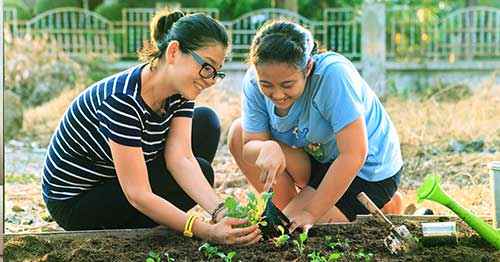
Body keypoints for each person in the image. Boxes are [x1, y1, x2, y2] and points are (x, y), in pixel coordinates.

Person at [42, 9, 261, 246]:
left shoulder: (180, 92)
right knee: (203, 171)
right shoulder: (122, 99)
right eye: (206, 67)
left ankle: (158, 218)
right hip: (77, 203)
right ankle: (155, 220)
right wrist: (203, 230)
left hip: (118, 179)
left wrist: (220, 212)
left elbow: (181, 159)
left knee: (205, 124)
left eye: (215, 73)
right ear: (174, 52)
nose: (209, 80)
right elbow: (138, 194)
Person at [228, 20, 404, 233]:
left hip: (366, 169)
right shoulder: (253, 83)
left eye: (287, 84)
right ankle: (292, 208)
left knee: (300, 228)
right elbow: (248, 146)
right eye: (267, 84)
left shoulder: (334, 75)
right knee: (238, 133)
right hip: (318, 158)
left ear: (308, 68)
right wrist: (266, 147)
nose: (277, 94)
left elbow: (354, 154)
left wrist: (310, 213)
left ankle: (385, 204)